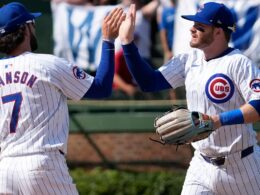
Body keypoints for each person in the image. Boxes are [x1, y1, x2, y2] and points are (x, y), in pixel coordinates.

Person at [119, 3, 260, 194]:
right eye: (194, 23)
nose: (192, 28)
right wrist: (127, 43)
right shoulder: (188, 60)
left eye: (200, 26)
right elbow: (149, 83)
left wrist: (219, 121)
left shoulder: (238, 62)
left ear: (218, 32)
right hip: (201, 164)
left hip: (241, 166)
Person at [0, 2, 125, 194]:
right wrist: (108, 40)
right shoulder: (47, 64)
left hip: (5, 169)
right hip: (41, 163)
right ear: (25, 28)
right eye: (32, 22)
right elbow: (101, 89)